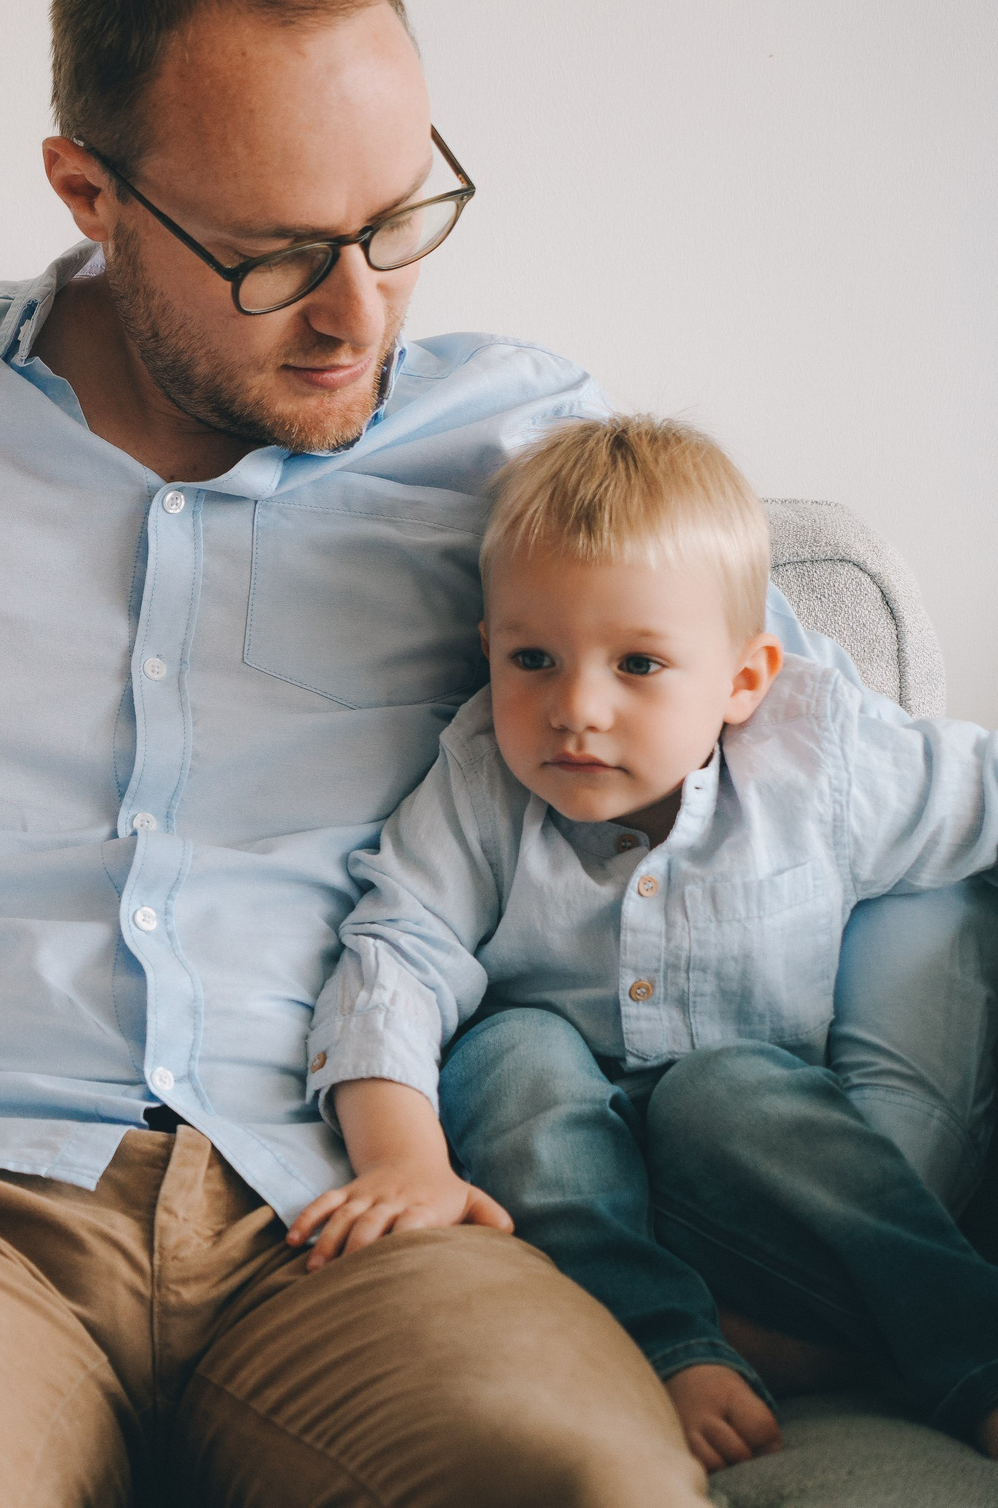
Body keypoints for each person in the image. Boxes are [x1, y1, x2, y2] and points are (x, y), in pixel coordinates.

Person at [0, 0, 996, 1505]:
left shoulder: (518, 455)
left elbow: (830, 757)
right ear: (88, 190)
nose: (358, 313)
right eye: (279, 255)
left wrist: (848, 1218)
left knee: (597, 1486)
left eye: (396, 221)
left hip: (362, 1204)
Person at [294, 415, 998, 1471]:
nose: (575, 709)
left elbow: (981, 797)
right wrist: (405, 1160)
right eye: (533, 658)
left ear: (744, 680)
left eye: (638, 663)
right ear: (488, 647)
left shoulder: (824, 764)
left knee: (727, 1087)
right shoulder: (482, 779)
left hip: (757, 1184)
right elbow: (396, 951)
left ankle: (967, 1358)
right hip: (573, 1194)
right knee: (511, 1047)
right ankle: (671, 1347)